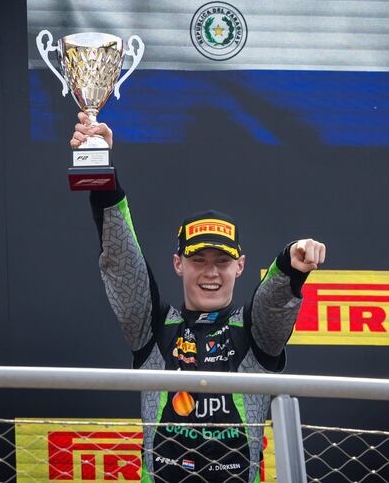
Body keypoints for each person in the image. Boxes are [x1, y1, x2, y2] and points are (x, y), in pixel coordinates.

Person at [72, 113, 327, 483]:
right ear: (178, 263)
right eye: (198, 260)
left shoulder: (255, 335)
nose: (211, 272)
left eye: (222, 262)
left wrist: (290, 264)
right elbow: (122, 265)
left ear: (240, 266)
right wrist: (101, 175)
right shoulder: (152, 327)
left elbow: (273, 304)